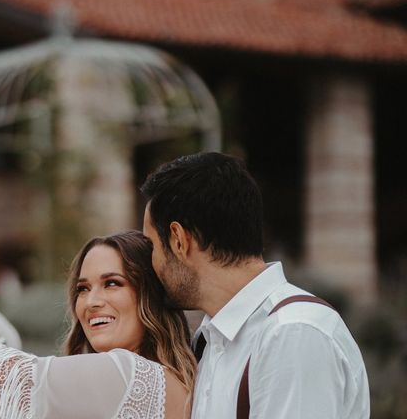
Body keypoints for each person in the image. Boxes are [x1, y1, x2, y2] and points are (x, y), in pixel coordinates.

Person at [0, 166, 196, 418]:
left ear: (149, 295)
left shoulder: (129, 373)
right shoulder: (153, 381)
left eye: (113, 283)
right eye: (82, 288)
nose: (91, 302)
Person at [140, 152, 370, 419]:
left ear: (179, 240)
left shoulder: (292, 333)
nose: (149, 262)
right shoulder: (208, 342)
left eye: (152, 246)